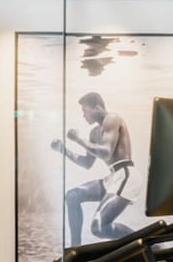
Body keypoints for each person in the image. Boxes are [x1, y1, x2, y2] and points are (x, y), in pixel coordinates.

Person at [52, 91, 135, 246]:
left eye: (84, 110)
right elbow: (86, 163)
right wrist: (64, 150)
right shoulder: (94, 132)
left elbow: (105, 151)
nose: (83, 115)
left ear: (97, 107)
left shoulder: (112, 119)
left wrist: (78, 139)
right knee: (72, 196)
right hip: (113, 177)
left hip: (126, 176)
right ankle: (75, 248)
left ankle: (142, 242)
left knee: (98, 228)